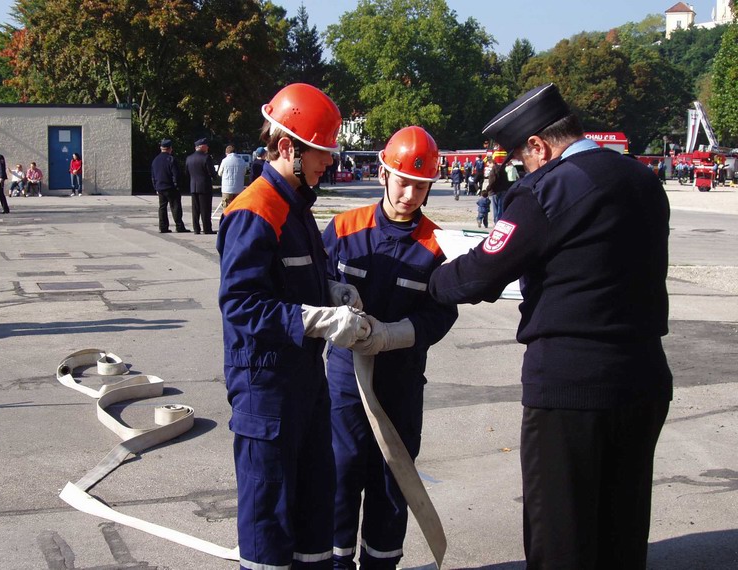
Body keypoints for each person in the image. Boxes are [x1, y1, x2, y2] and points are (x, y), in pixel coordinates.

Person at [428, 83, 672, 569]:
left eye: (521, 159)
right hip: (644, 376)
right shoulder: (640, 179)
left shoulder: (553, 187)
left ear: (538, 146)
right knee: (620, 533)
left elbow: (479, 272)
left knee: (559, 537)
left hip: (570, 386)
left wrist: (431, 281)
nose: (521, 169)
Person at [216, 83, 370, 570]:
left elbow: (294, 277)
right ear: (288, 147)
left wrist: (330, 291)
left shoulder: (296, 206)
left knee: (313, 517)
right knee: (270, 525)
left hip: (304, 383)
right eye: (322, 153)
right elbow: (240, 306)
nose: (329, 162)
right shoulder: (255, 211)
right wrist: (319, 319)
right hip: (265, 388)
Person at [322, 125, 458, 570]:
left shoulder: (437, 245)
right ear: (383, 173)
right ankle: (337, 563)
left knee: (391, 480)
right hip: (345, 379)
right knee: (341, 475)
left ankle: (380, 564)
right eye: (403, 182)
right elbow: (312, 286)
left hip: (400, 381)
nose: (410, 194)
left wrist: (393, 334)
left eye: (421, 186)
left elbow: (441, 314)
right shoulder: (344, 228)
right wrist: (333, 304)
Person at [152, 139, 190, 233]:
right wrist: (177, 185)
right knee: (175, 207)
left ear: (161, 148)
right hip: (170, 187)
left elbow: (153, 175)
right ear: (170, 148)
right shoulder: (171, 159)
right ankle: (179, 226)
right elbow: (175, 174)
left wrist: (156, 187)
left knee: (162, 207)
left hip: (160, 187)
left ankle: (163, 227)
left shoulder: (155, 160)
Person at [183, 138, 217, 234]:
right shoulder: (206, 157)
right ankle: (207, 228)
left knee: (195, 209)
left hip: (193, 186)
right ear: (202, 146)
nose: (208, 147)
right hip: (204, 186)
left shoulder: (189, 158)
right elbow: (211, 172)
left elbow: (186, 172)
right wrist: (215, 177)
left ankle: (196, 229)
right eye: (206, 145)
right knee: (205, 209)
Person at [217, 145, 247, 212]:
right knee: (237, 207)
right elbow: (244, 172)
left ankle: (226, 220)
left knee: (226, 207)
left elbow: (220, 173)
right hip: (238, 188)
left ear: (227, 153)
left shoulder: (224, 160)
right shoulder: (242, 161)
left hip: (227, 189)